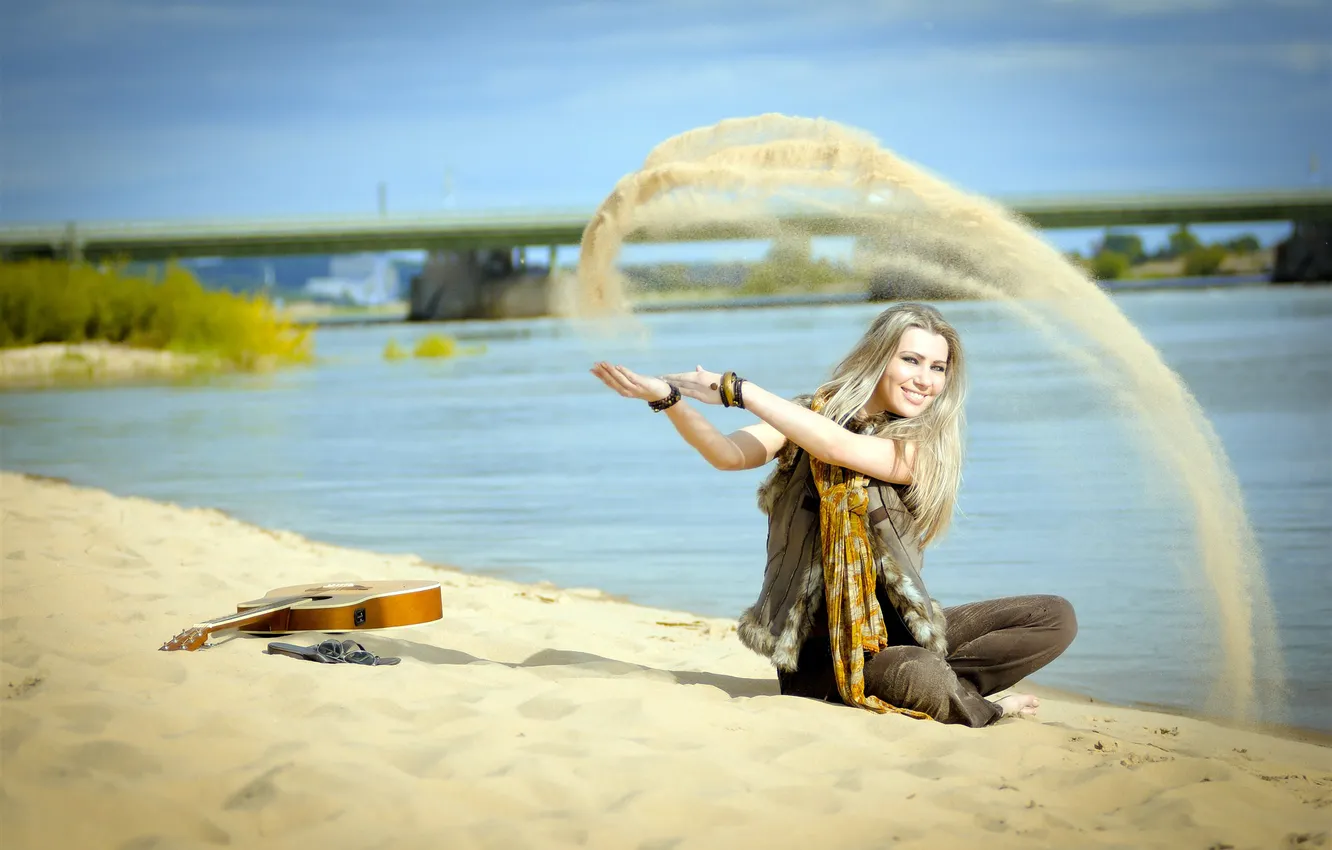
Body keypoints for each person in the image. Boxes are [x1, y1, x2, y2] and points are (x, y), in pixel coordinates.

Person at [589, 302, 1076, 726]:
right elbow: (726, 453)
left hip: (899, 631)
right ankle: (975, 704)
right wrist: (667, 399)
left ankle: (948, 687)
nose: (925, 380)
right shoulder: (807, 417)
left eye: (938, 367)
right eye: (911, 360)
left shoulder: (922, 448)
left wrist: (738, 390)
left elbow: (839, 447)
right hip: (823, 657)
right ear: (879, 357)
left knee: (1053, 616)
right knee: (920, 673)